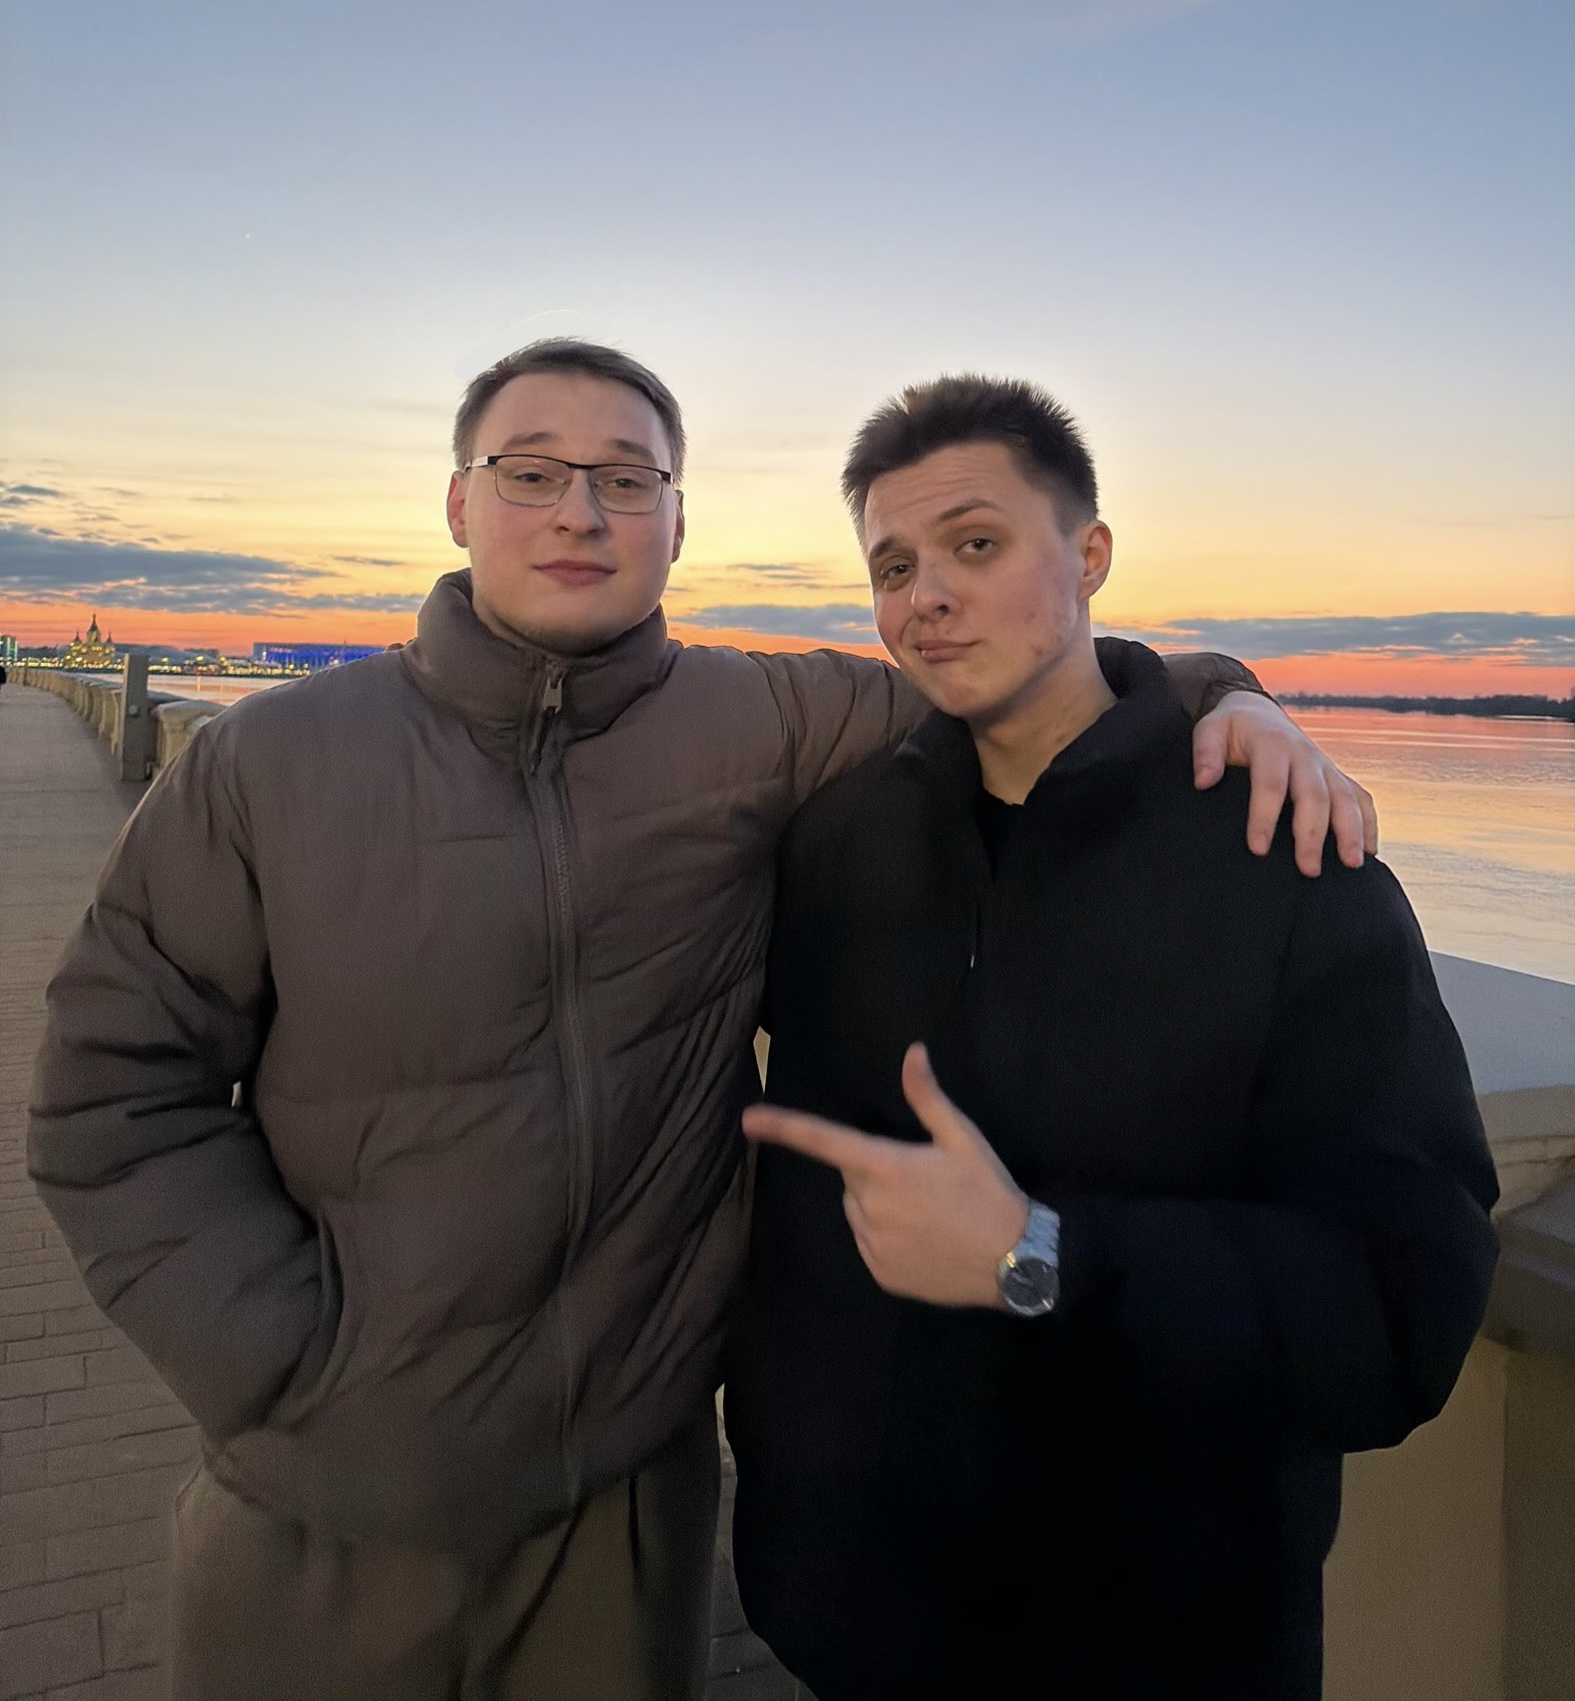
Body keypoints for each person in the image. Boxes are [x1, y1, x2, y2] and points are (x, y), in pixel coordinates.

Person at [30, 343, 1369, 1701]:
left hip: (626, 1520)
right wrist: (277, 1363)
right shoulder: (271, 760)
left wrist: (1227, 694)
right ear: (458, 503)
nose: (579, 512)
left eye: (627, 479)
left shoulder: (762, 718)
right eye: (531, 472)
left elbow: (1016, 662)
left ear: (678, 521)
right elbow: (109, 1093)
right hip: (318, 1511)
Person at [726, 375, 1498, 1701]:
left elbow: (1404, 1306)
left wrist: (1041, 1255)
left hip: (1162, 1644)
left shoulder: (1284, 858)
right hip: (849, 1622)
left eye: (976, 544)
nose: (927, 596)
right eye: (893, 566)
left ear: (1089, 558)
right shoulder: (838, 846)